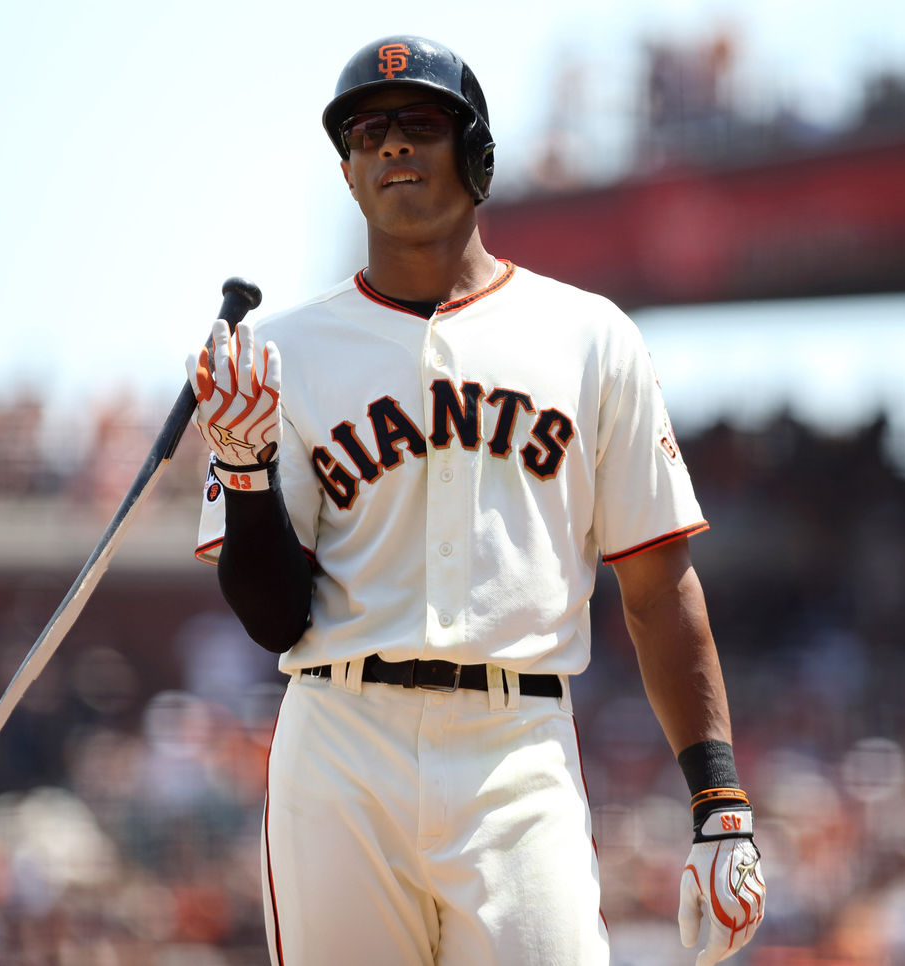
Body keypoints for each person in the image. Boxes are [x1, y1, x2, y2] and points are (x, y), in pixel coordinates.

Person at [185, 35, 765, 966]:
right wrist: (246, 470)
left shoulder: (589, 335)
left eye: (419, 123)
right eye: (366, 134)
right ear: (347, 171)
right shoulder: (283, 353)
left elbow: (660, 586)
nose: (391, 147)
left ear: (478, 154)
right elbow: (272, 617)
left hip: (517, 744)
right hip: (340, 741)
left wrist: (720, 800)